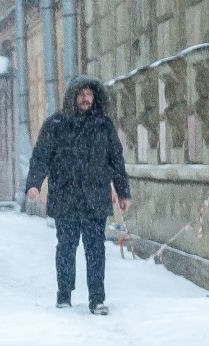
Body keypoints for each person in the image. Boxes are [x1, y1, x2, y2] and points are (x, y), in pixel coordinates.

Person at [25, 75, 130, 315]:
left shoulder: (104, 126)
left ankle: (97, 298)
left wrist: (123, 192)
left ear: (95, 97)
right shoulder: (56, 125)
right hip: (65, 197)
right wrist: (34, 184)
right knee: (66, 248)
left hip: (95, 198)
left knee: (96, 250)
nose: (85, 98)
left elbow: (116, 160)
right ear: (72, 96)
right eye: (81, 94)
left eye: (89, 94)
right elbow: (41, 157)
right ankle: (64, 295)